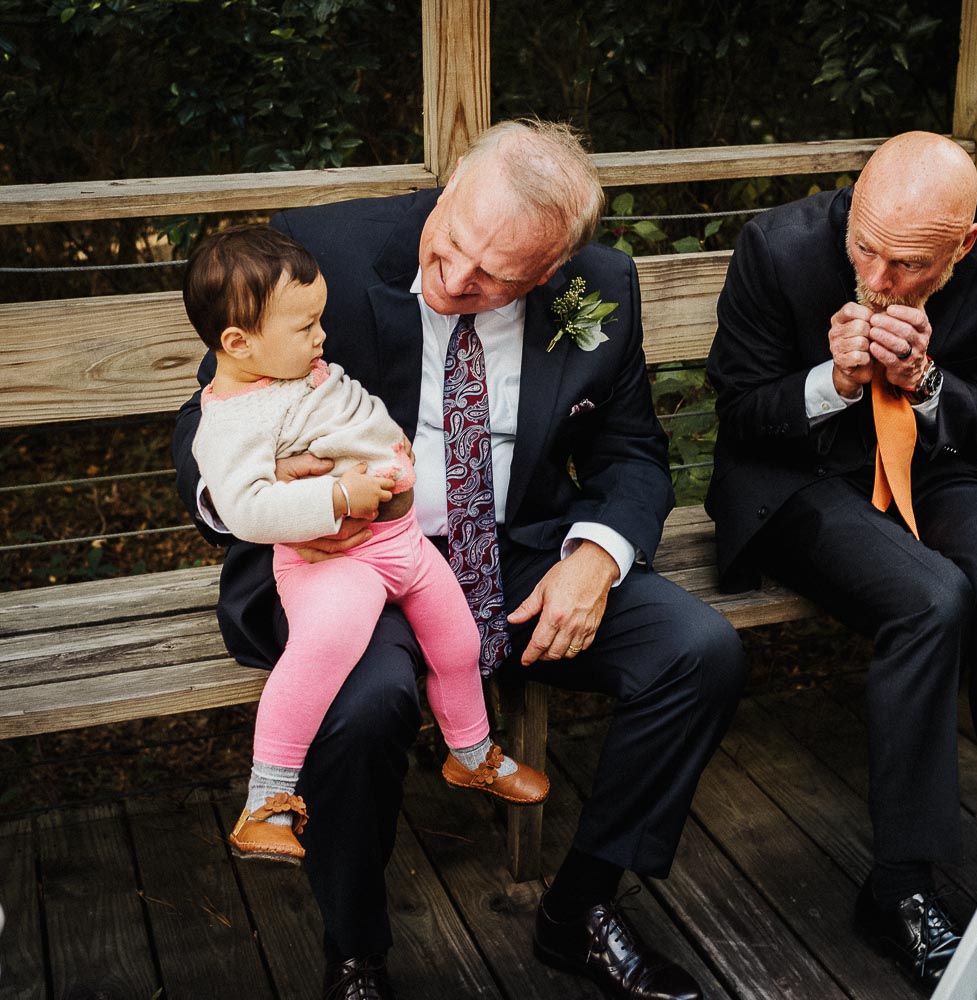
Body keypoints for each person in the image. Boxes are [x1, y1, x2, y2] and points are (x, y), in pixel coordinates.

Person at [173, 120, 745, 1000]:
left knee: (698, 652)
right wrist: (261, 502)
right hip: (347, 556)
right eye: (449, 246)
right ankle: (356, 951)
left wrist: (596, 556)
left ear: (549, 271)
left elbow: (631, 454)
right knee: (364, 704)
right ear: (446, 195)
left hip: (514, 554)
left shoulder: (601, 288)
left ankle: (580, 909)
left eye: (492, 278)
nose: (451, 280)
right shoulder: (322, 251)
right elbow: (203, 421)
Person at [705, 131, 977, 994]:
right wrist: (831, 382)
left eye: (908, 264)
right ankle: (900, 891)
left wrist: (932, 383)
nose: (877, 279)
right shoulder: (779, 244)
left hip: (937, 464)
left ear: (965, 246)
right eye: (865, 248)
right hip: (800, 477)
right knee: (933, 599)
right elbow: (740, 413)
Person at [183, 225, 550, 865]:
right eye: (306, 327)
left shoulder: (290, 366)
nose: (322, 336)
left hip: (401, 542)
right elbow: (244, 506)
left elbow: (346, 412)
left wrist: (388, 448)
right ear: (238, 344)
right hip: (336, 561)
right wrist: (336, 497)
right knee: (322, 655)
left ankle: (470, 754)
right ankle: (265, 803)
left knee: (458, 641)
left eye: (319, 321)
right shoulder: (234, 416)